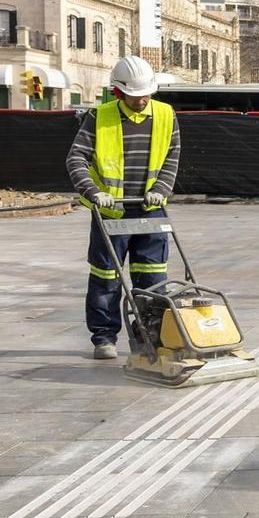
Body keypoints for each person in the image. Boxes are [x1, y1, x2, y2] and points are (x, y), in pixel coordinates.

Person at [67, 55, 180, 359]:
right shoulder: (99, 116)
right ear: (118, 92)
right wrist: (93, 193)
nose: (141, 100)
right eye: (134, 95)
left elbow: (172, 157)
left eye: (145, 94)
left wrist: (160, 189)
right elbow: (75, 158)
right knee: (106, 278)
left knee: (154, 277)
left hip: (150, 210)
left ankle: (152, 335)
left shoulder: (166, 115)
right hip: (111, 211)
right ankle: (104, 337)